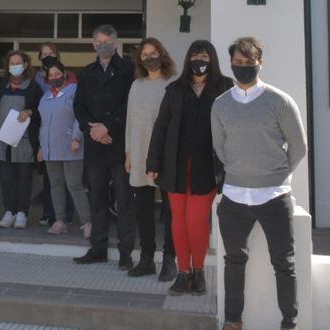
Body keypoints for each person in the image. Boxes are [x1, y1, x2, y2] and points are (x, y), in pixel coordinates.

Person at [212, 37, 307, 330]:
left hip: (274, 196)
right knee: (233, 261)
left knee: (284, 263)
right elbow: (219, 146)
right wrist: (240, 172)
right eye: (238, 63)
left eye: (249, 62)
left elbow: (299, 146)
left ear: (260, 63)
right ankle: (232, 321)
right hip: (234, 198)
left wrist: (277, 176)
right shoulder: (220, 104)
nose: (243, 67)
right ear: (231, 64)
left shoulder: (279, 100)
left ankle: (289, 323)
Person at [147, 40, 232, 295]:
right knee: (177, 222)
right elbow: (161, 126)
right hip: (174, 166)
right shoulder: (175, 89)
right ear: (188, 59)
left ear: (212, 59)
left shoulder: (225, 87)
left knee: (196, 221)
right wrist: (153, 162)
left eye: (204, 55)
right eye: (194, 55)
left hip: (206, 167)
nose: (199, 60)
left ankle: (199, 271)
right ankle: (183, 272)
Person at [72, 24, 137, 269]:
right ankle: (98, 248)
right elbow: (78, 106)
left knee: (124, 201)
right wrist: (92, 129)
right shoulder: (87, 71)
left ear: (116, 43)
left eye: (108, 41)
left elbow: (131, 104)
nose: (103, 46)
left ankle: (125, 252)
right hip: (95, 145)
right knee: (97, 200)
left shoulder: (130, 69)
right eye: (98, 42)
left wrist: (107, 127)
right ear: (93, 45)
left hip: (119, 144)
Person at [124, 38, 177, 280]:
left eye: (153, 52)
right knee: (142, 210)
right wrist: (129, 153)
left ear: (162, 54)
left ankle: (169, 259)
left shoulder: (173, 84)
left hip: (165, 157)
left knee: (170, 211)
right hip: (138, 154)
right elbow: (130, 121)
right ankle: (146, 258)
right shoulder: (137, 85)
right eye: (144, 54)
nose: (149, 57)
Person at [36, 60, 90, 237]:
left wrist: (76, 137)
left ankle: (87, 222)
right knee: (56, 185)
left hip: (71, 147)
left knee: (74, 185)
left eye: (57, 74)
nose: (54, 78)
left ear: (64, 73)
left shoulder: (75, 91)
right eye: (50, 76)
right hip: (51, 150)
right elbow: (43, 125)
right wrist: (41, 147)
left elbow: (79, 116)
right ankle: (60, 221)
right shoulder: (45, 97)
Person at [0, 50, 42, 229]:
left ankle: (22, 212)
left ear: (25, 65)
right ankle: (9, 211)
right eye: (11, 63)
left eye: (18, 63)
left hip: (24, 142)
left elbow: (41, 109)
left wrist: (30, 111)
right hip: (3, 141)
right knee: (6, 179)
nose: (15, 66)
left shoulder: (33, 87)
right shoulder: (0, 85)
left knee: (24, 179)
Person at [34, 43, 76, 228]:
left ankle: (67, 214)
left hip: (64, 135)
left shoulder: (69, 77)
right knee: (50, 179)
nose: (48, 55)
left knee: (68, 180)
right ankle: (49, 213)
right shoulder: (36, 78)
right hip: (45, 133)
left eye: (51, 53)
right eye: (44, 53)